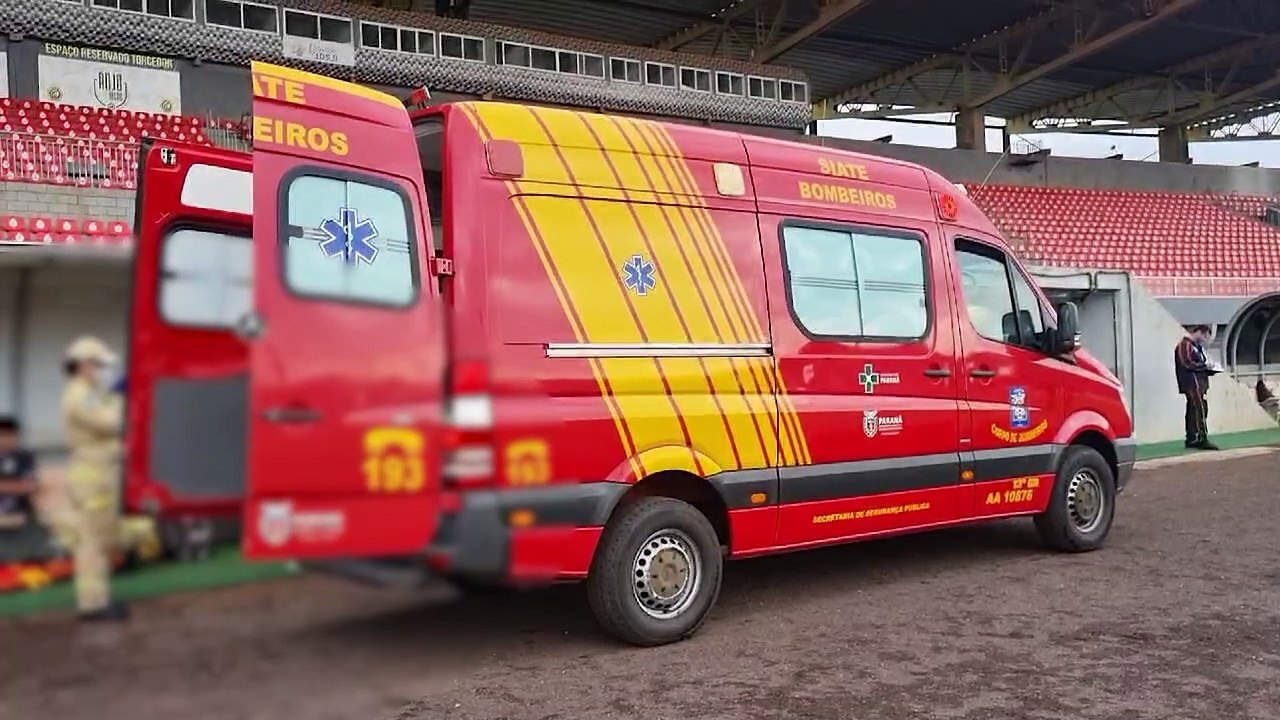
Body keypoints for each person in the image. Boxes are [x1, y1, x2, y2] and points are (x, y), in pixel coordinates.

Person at [61, 335, 135, 621]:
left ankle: (96, 599)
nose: (104, 369)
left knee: (99, 540)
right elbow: (113, 422)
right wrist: (120, 393)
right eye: (100, 364)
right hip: (92, 475)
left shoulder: (88, 392)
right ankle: (93, 604)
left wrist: (115, 393)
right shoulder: (79, 395)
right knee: (93, 542)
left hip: (97, 473)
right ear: (83, 365)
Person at [1174, 325, 1219, 451]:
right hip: (1192, 384)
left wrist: (1209, 369)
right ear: (1199, 332)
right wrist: (1205, 367)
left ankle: (1192, 437)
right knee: (1200, 409)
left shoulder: (1196, 347)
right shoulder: (1185, 345)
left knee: (1195, 409)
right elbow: (1186, 362)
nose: (1205, 340)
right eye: (1205, 336)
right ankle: (1201, 438)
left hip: (1199, 383)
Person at [0, 416, 37, 530]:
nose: (6, 439)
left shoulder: (24, 457)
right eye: (2, 435)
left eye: (10, 435)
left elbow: (30, 486)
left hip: (20, 514)